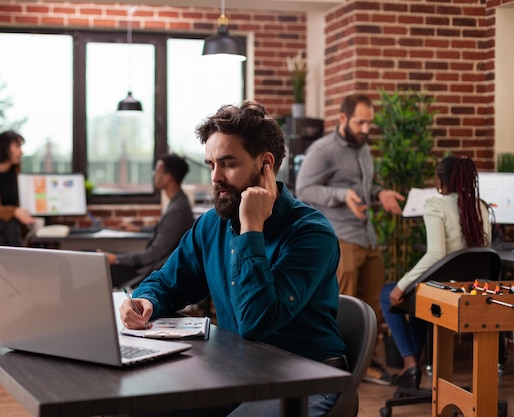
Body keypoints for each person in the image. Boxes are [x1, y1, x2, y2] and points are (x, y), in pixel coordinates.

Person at [119, 101, 345, 417]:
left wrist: (251, 227)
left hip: (303, 381)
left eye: (228, 164)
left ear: (265, 164)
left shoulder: (311, 233)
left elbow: (257, 321)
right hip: (235, 373)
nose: (216, 177)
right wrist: (146, 301)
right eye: (211, 164)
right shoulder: (212, 224)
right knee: (133, 407)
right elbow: (168, 281)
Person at [295, 93, 405, 386]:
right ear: (343, 118)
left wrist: (379, 193)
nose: (367, 129)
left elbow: (363, 187)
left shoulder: (363, 148)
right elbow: (304, 190)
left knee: (371, 308)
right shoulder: (322, 150)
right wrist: (342, 195)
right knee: (345, 307)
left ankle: (366, 364)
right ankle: (339, 369)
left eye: (370, 122)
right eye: (360, 122)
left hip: (367, 237)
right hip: (340, 237)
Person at [380, 156, 491, 389]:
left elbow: (436, 254)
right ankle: (412, 368)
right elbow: (485, 249)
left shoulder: (435, 205)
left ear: (440, 180)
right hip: (469, 293)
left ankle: (410, 366)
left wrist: (402, 284)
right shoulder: (480, 206)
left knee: (389, 293)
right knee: (416, 303)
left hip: (441, 291)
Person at [99, 153, 194, 288]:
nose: (154, 175)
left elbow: (153, 254)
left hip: (149, 269)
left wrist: (117, 259)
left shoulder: (178, 209)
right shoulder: (177, 202)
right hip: (149, 264)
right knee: (95, 254)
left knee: (96, 261)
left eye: (157, 171)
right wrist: (138, 229)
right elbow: (164, 228)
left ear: (169, 177)